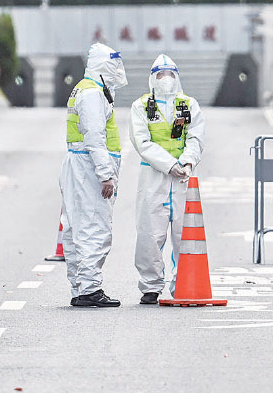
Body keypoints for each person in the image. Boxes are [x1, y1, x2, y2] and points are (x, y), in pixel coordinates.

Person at [129, 54, 205, 305]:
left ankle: (183, 282)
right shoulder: (141, 106)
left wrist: (187, 162)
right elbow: (142, 142)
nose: (165, 79)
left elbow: (196, 137)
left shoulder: (189, 104)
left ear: (177, 77)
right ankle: (150, 286)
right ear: (152, 78)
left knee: (185, 233)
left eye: (170, 74)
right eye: (160, 75)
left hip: (183, 178)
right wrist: (169, 165)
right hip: (153, 176)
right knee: (150, 232)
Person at [59, 43, 127, 308]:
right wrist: (106, 174)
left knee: (78, 226)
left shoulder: (86, 89)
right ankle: (89, 288)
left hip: (80, 164)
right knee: (94, 227)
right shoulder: (91, 94)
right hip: (89, 166)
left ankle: (80, 286)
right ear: (103, 65)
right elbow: (95, 137)